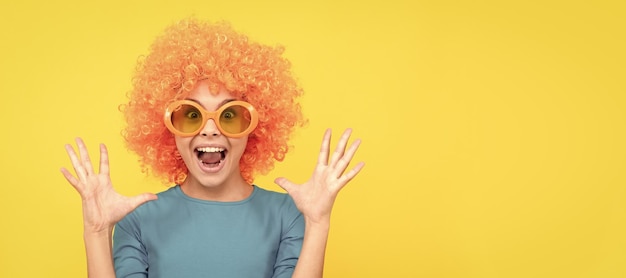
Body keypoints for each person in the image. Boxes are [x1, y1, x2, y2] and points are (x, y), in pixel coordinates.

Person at [60, 18, 364, 278]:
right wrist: (97, 233)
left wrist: (318, 223)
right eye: (191, 115)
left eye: (229, 115)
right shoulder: (138, 218)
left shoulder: (291, 214)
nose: (209, 128)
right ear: (168, 128)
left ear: (254, 126)